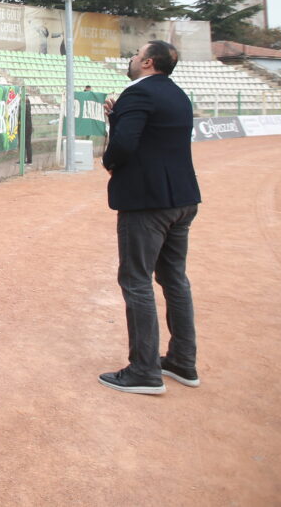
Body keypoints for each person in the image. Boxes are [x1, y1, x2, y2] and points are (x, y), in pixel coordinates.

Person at [98, 40, 201, 395]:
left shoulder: (138, 93)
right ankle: (182, 361)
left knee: (136, 280)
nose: (131, 58)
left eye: (136, 54)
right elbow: (153, 139)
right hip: (182, 199)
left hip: (147, 202)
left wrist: (109, 162)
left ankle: (144, 370)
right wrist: (117, 116)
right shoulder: (178, 95)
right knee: (175, 279)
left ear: (148, 62)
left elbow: (125, 145)